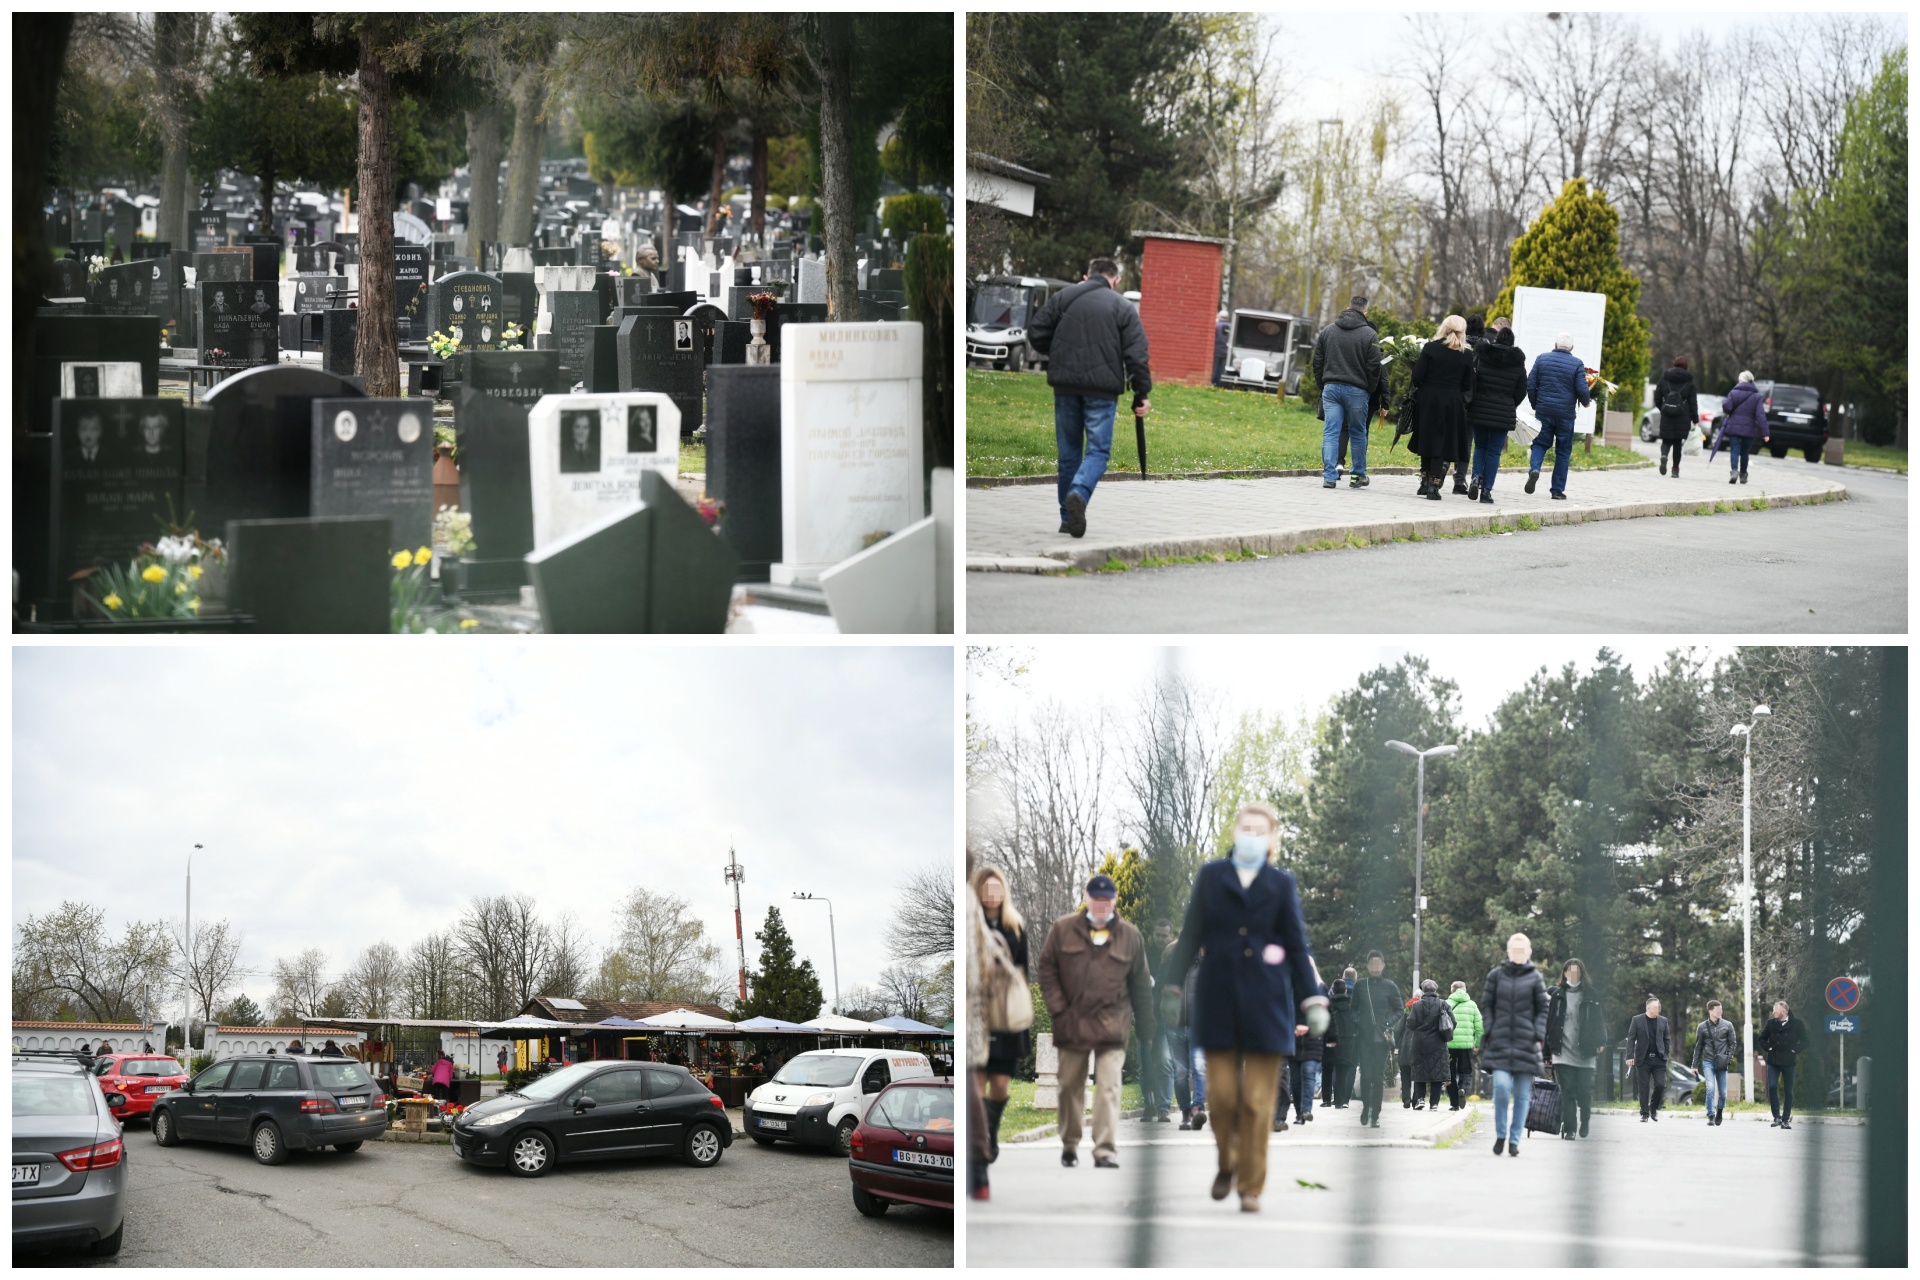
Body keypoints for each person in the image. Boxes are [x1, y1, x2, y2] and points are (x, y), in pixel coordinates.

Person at [1162, 803, 1327, 1213]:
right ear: (1235, 832)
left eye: (1260, 830)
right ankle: (1227, 1163)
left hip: (1267, 1006)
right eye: (1245, 828)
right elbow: (1189, 935)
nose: (1251, 835)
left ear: (1272, 839)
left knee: (1257, 1103)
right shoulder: (1211, 877)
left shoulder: (1281, 884)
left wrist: (1312, 999)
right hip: (1217, 1004)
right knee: (1221, 1097)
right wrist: (1171, 985)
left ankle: (1250, 1186)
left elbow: (1296, 945)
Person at [1026, 256, 1152, 539]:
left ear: (1088, 275)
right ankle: (1079, 494)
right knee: (1097, 451)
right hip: (1102, 390)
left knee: (1069, 453)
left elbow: (1036, 332)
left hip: (1065, 386)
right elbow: (1137, 352)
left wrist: (1061, 352)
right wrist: (1141, 393)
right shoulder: (1122, 306)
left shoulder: (1065, 297)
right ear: (1115, 280)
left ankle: (1067, 519)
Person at [1036, 872, 1153, 1170]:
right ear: (1087, 898)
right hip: (1072, 1022)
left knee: (1109, 1086)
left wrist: (1148, 1026)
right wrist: (1058, 1008)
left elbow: (1140, 984)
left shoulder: (1130, 936)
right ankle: (1070, 1143)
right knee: (1069, 1086)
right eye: (1096, 899)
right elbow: (1047, 969)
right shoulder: (1063, 929)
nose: (1101, 905)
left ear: (1114, 901)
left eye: (1107, 900)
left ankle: (1104, 1149)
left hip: (1113, 1024)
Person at [973, 862, 1031, 1159]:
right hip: (980, 1010)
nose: (992, 894)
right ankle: (981, 1139)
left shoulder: (1015, 925)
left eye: (997, 888)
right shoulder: (973, 924)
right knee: (978, 1081)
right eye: (987, 888)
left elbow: (1024, 971)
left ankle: (991, 1132)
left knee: (1000, 1084)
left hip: (1006, 1013)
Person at [1480, 933, 1548, 1157]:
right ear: (1508, 952)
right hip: (1499, 1042)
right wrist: (1489, 1029)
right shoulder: (1495, 976)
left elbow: (1542, 1009)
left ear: (1528, 952)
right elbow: (1487, 1005)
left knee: (1522, 1095)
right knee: (1500, 1087)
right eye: (1514, 950)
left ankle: (1514, 1139)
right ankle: (1501, 1134)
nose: (1518, 954)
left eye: (1523, 950)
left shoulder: (1535, 978)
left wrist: (1538, 1034)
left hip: (1526, 1044)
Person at [1310, 294, 1384, 490]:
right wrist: (1368, 389)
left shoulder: (1328, 331)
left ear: (1348, 307)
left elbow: (1317, 362)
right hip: (1358, 390)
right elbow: (1374, 367)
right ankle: (1358, 474)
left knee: (1331, 432)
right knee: (1358, 433)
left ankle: (1329, 476)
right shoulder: (1370, 335)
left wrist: (1324, 384)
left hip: (1331, 387)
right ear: (1365, 311)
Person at [1409, 315, 1475, 500]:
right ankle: (1433, 486)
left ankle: (1424, 481)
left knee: (1426, 437)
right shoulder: (1466, 354)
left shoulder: (1430, 348)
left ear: (1443, 328)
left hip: (1428, 398)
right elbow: (1467, 383)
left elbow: (1417, 376)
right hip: (1451, 401)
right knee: (1442, 441)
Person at [1464, 327, 1529, 503]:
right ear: (1512, 342)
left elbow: (1474, 380)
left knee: (1480, 447)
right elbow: (1522, 389)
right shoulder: (1518, 362)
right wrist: (1510, 403)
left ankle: (1476, 477)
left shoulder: (1484, 356)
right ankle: (1486, 491)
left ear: (1497, 340)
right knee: (1494, 452)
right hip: (1503, 411)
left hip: (1480, 408)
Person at [1544, 958, 1607, 1139]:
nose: (1573, 975)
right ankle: (1570, 1128)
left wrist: (1601, 1041)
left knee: (1584, 1093)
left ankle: (1585, 1121)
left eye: (1576, 972)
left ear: (1582, 974)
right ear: (1564, 974)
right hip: (1562, 1052)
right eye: (1569, 972)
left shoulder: (1591, 994)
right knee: (1568, 1092)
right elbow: (1550, 1024)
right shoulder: (1557, 996)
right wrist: (1547, 1052)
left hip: (1585, 1051)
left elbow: (1598, 1020)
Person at [1525, 333, 1592, 499]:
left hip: (1544, 411)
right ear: (1572, 348)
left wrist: (1536, 405)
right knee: (1563, 451)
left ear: (1555, 344)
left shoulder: (1542, 359)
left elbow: (1531, 384)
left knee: (1540, 443)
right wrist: (1586, 402)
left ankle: (1535, 469)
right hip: (1565, 415)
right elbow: (1582, 389)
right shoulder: (1577, 364)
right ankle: (1557, 491)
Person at [965, 850, 993, 1200]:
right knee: (974, 1089)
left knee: (973, 1089)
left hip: (972, 1009)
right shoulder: (973, 904)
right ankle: (980, 1167)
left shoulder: (969, 904)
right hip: (976, 1010)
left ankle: (979, 1165)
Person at [1351, 951, 1402, 1128]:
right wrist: (1358, 1021)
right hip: (1364, 1038)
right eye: (1371, 964)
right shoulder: (1360, 986)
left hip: (1381, 1038)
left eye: (1377, 964)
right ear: (1367, 966)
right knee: (1365, 1075)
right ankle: (1366, 1108)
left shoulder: (1390, 986)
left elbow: (1399, 1010)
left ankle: (1376, 1114)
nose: (1374, 967)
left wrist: (1388, 1022)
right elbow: (1353, 1009)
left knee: (1378, 1076)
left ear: (1383, 965)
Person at [1143, 918, 1178, 1123]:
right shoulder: (1144, 955)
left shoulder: (1175, 959)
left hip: (1164, 1016)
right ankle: (1149, 1106)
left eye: (1165, 935)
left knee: (1164, 1060)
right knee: (1145, 1063)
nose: (1161, 938)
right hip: (1145, 1016)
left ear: (1171, 936)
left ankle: (1163, 1108)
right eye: (1158, 934)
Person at [1758, 1000, 1808, 1130]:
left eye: (1775, 1010)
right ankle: (1777, 1117)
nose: (1773, 1012)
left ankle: (1785, 1120)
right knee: (1773, 1087)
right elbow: (1761, 1039)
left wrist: (1795, 1050)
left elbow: (1805, 1041)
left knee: (1788, 1091)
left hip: (1789, 1061)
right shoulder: (1771, 1023)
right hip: (1773, 1061)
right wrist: (1768, 1048)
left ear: (1783, 1011)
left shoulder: (1797, 1024)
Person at [1404, 980, 1453, 1110]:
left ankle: (1420, 1099)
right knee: (1437, 1073)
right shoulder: (1443, 1004)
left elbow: (1411, 1024)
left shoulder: (1417, 1005)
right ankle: (1434, 1103)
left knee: (1419, 1070)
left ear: (1424, 991)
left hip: (1419, 1043)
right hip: (1438, 1043)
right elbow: (1452, 1021)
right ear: (1435, 990)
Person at [1625, 997, 1673, 1123]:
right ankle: (1645, 1114)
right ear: (1648, 1008)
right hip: (1643, 1059)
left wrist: (1666, 1054)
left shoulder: (1663, 1021)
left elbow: (1667, 1039)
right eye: (1656, 1007)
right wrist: (1629, 1056)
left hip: (1659, 1060)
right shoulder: (1637, 1020)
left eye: (1659, 1007)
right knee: (1644, 1087)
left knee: (1660, 1084)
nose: (1658, 1009)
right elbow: (1631, 1039)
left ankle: (1653, 1108)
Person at [1717, 371, 1769, 485]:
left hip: (1734, 427)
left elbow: (1727, 408)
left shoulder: (1733, 392)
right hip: (1749, 428)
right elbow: (1760, 415)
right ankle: (1743, 475)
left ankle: (1734, 471)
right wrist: (1765, 432)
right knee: (1745, 452)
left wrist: (1725, 402)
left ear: (1741, 380)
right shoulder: (1757, 396)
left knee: (1734, 449)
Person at [1692, 999, 1739, 1127]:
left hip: (1722, 1063)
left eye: (1721, 1009)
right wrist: (1694, 1065)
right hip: (1708, 1062)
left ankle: (1719, 1111)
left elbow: (1732, 1043)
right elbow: (1698, 1047)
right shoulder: (1702, 1027)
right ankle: (1711, 1115)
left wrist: (1728, 1058)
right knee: (1710, 1088)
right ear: (1711, 1011)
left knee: (1723, 1093)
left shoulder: (1728, 1025)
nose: (1720, 1011)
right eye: (1718, 1010)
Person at [1652, 356, 1700, 477]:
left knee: (1666, 440)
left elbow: (1657, 396)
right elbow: (1693, 402)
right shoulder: (1689, 381)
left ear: (1674, 364)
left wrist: (1662, 407)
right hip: (1682, 415)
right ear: (1686, 366)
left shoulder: (1665, 377)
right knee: (1677, 443)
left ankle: (1664, 456)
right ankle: (1675, 470)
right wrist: (1695, 419)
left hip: (1667, 412)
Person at [1445, 979, 1485, 1111]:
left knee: (1449, 1074)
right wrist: (1477, 1043)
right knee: (1466, 1071)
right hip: (1466, 1046)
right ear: (1465, 990)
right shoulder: (1472, 1005)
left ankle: (1454, 1104)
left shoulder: (1446, 1004)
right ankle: (1462, 1088)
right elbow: (1479, 1027)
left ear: (1452, 990)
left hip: (1449, 1045)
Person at [1324, 973, 1354, 1107]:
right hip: (1346, 1041)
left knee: (1327, 1068)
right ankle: (1339, 1102)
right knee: (1342, 1070)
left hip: (1329, 1039)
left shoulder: (1327, 1005)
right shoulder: (1351, 1006)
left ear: (1333, 990)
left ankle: (1325, 1099)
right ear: (1345, 990)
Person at [1212, 308, 1230, 386]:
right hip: (1226, 352)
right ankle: (1221, 383)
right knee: (1223, 369)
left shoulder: (1216, 325)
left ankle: (1214, 382)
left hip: (1216, 350)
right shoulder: (1232, 326)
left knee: (1215, 368)